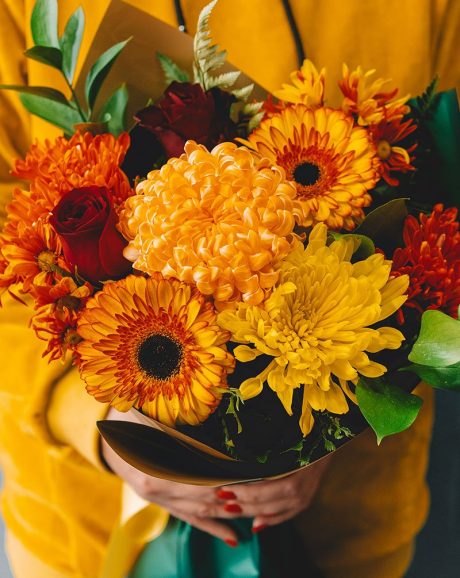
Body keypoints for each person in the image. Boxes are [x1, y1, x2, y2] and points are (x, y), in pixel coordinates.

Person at [0, 1, 458, 577]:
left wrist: (342, 429)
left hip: (349, 522)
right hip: (83, 531)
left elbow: (443, 217)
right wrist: (95, 420)